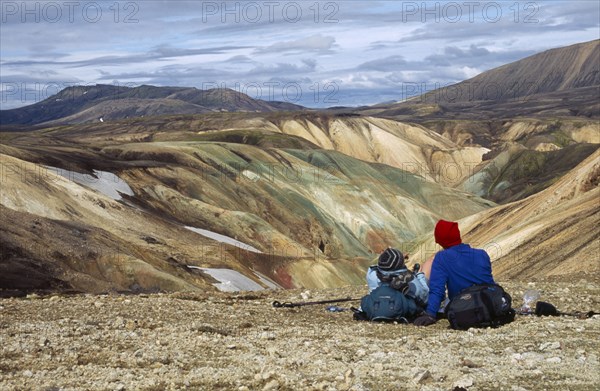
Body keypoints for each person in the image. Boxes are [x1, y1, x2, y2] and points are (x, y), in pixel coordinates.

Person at [414, 219, 495, 326]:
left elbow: (437, 290)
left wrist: (430, 314)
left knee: (447, 302)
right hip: (490, 303)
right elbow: (489, 282)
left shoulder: (441, 258)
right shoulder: (482, 254)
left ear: (440, 240)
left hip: (464, 305)